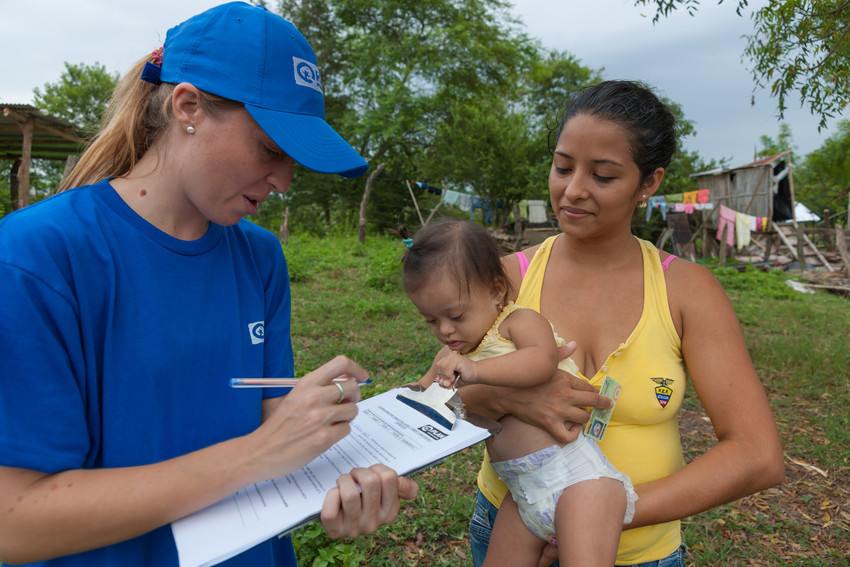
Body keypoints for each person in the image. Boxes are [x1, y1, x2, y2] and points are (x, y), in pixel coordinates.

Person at [0, 3, 417, 566]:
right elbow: (16, 520)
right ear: (188, 106)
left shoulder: (259, 256)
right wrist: (255, 456)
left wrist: (330, 462)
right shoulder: (38, 258)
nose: (285, 180)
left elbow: (268, 425)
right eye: (271, 148)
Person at [458, 80, 785, 567]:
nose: (573, 190)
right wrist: (499, 395)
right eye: (562, 167)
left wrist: (600, 513)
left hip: (640, 552)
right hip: (508, 535)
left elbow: (757, 454)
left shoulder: (687, 292)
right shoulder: (504, 280)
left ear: (648, 182)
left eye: (603, 176)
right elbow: (439, 395)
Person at [398, 219, 637, 567]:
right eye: (431, 321)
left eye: (455, 315)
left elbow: (541, 362)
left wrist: (478, 372)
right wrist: (398, 401)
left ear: (496, 291)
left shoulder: (516, 322)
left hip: (580, 481)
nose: (445, 330)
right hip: (522, 493)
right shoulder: (449, 358)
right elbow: (420, 404)